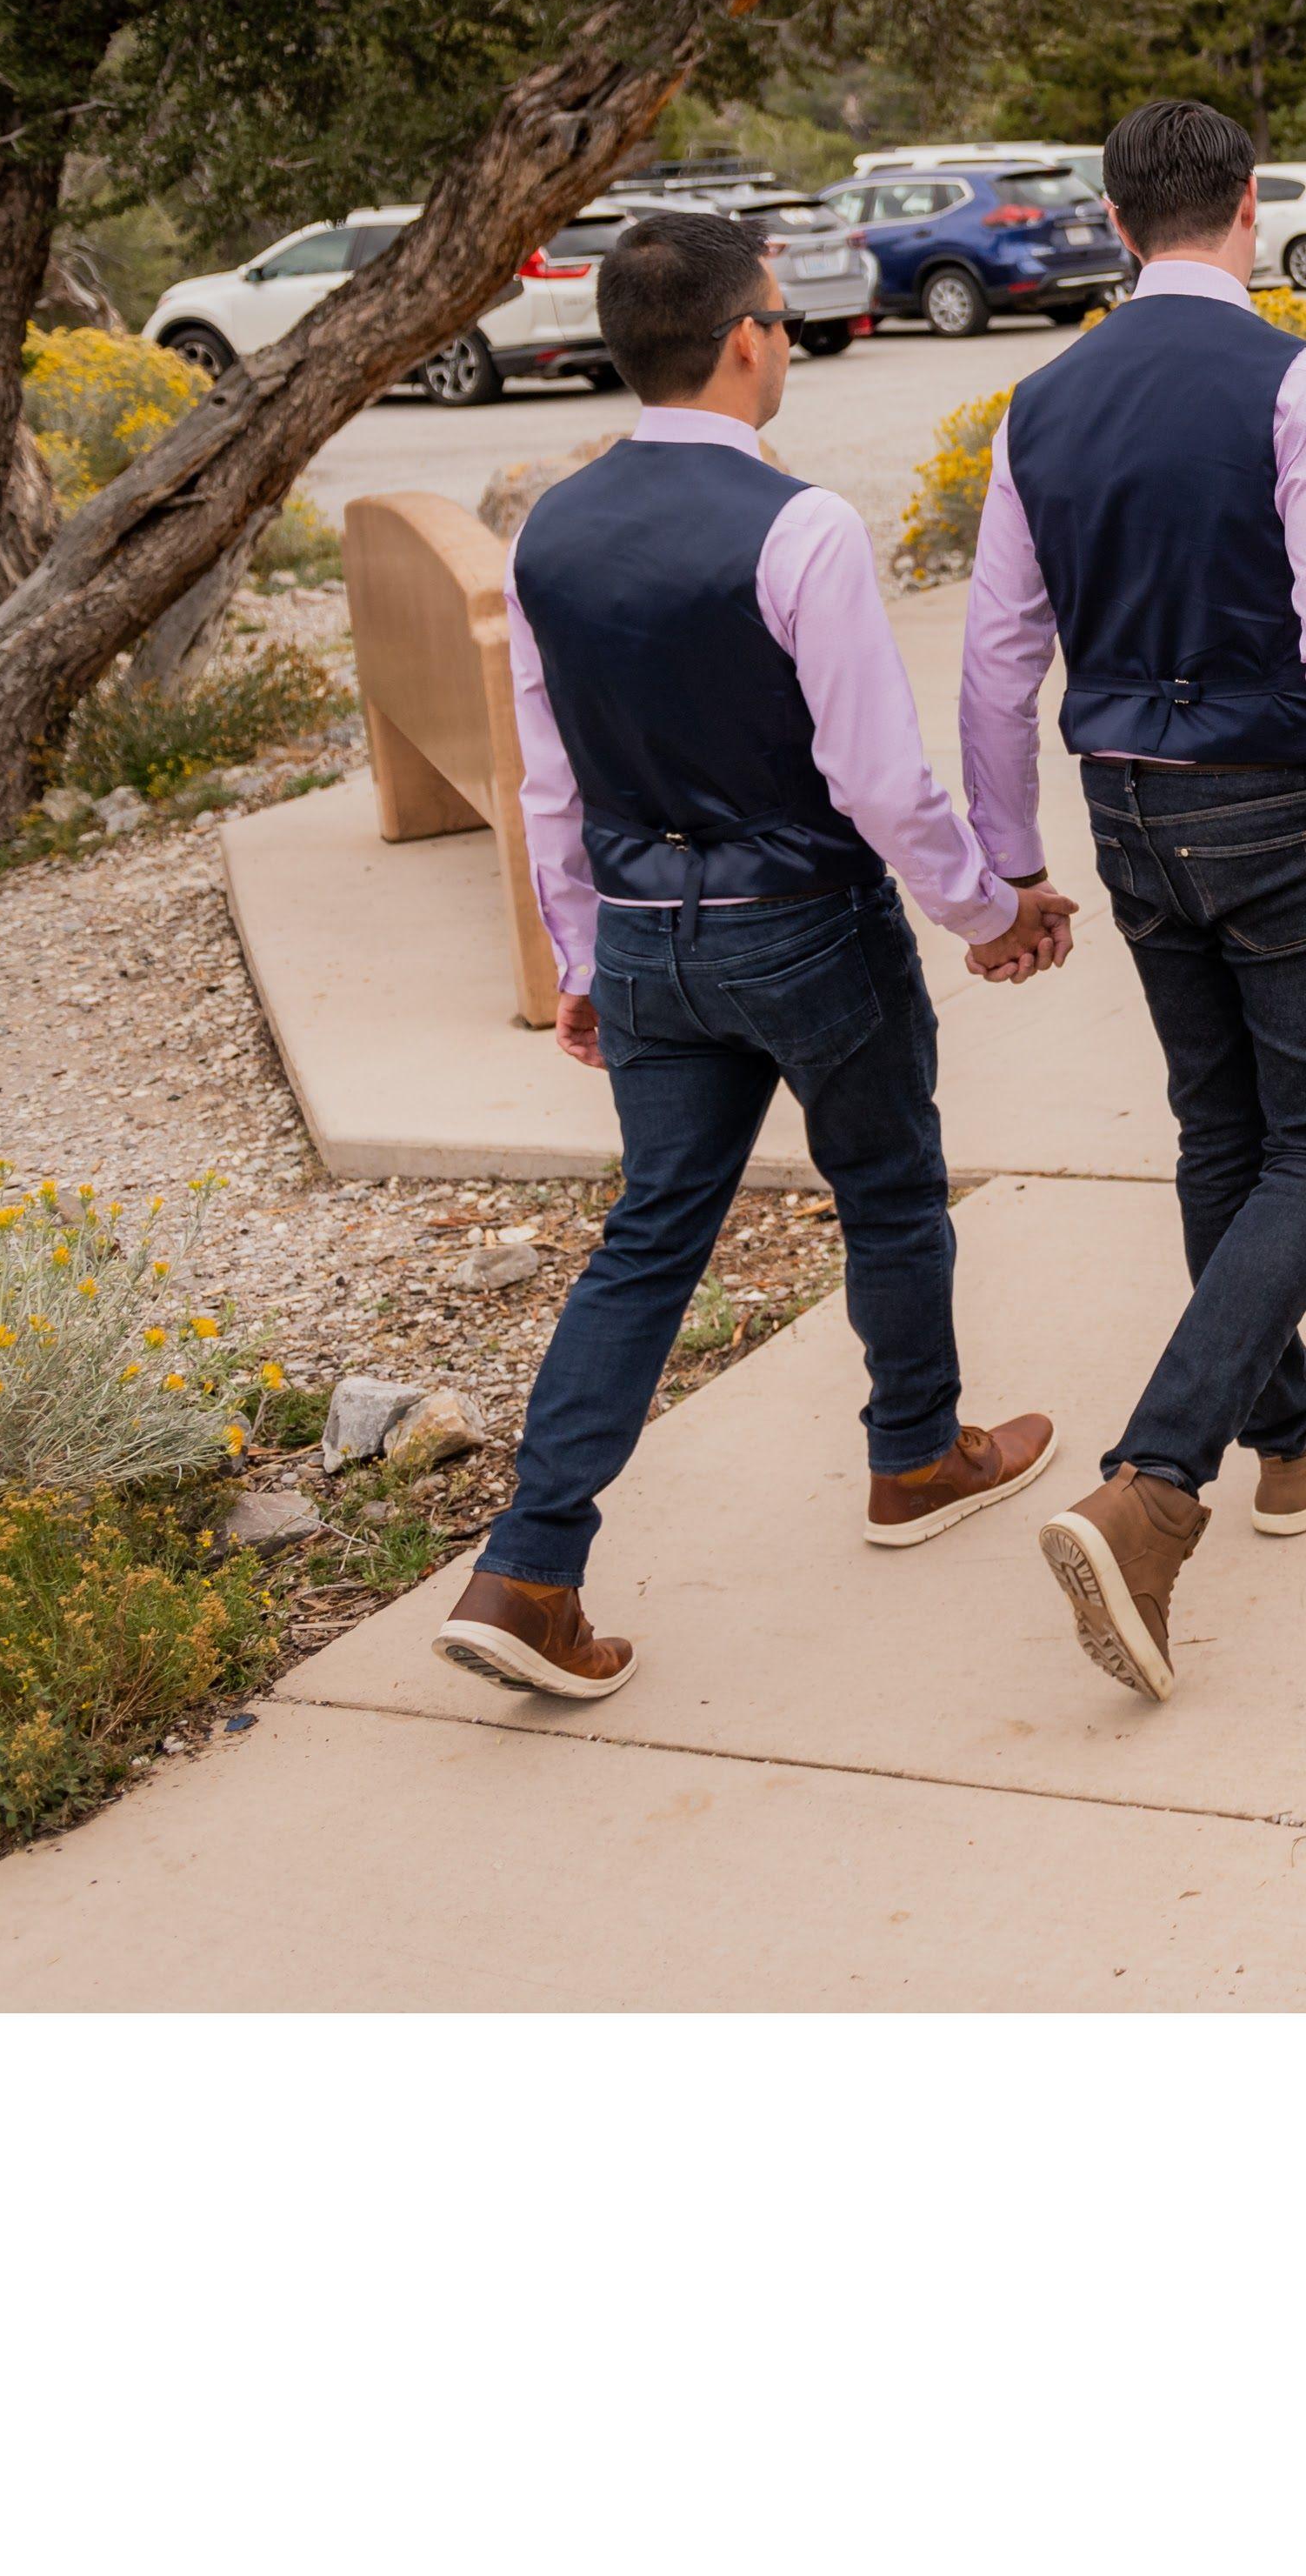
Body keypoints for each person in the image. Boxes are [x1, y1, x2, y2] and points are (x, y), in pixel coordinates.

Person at [432, 209, 1076, 1707]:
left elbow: (547, 776)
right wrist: (991, 911)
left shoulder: (553, 532)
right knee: (890, 1188)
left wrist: (583, 953)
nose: (783, 338)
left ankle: (528, 1561)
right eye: (781, 319)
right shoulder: (801, 525)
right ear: (743, 340)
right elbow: (874, 775)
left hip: (648, 938)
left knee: (651, 1235)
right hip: (806, 929)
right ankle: (914, 1453)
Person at [961, 97, 1306, 1706]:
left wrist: (1013, 859)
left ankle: (1291, 1426)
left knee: (1220, 1132)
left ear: (1110, 222)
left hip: (1124, 801)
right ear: (1248, 209)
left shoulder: (1039, 402)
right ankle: (1157, 1481)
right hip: (1272, 792)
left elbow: (997, 654)